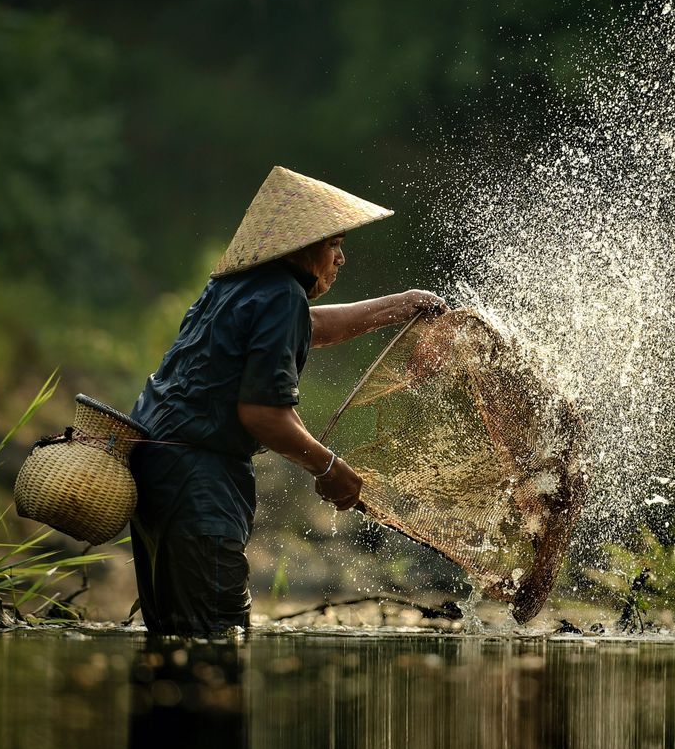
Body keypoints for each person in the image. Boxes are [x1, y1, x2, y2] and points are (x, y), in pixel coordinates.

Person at [127, 166, 446, 636]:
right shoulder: (279, 297)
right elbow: (261, 414)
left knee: (172, 633)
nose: (341, 258)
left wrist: (402, 303)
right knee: (214, 634)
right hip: (199, 479)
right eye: (334, 245)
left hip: (154, 468)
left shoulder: (236, 285)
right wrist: (328, 467)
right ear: (304, 246)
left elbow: (312, 328)